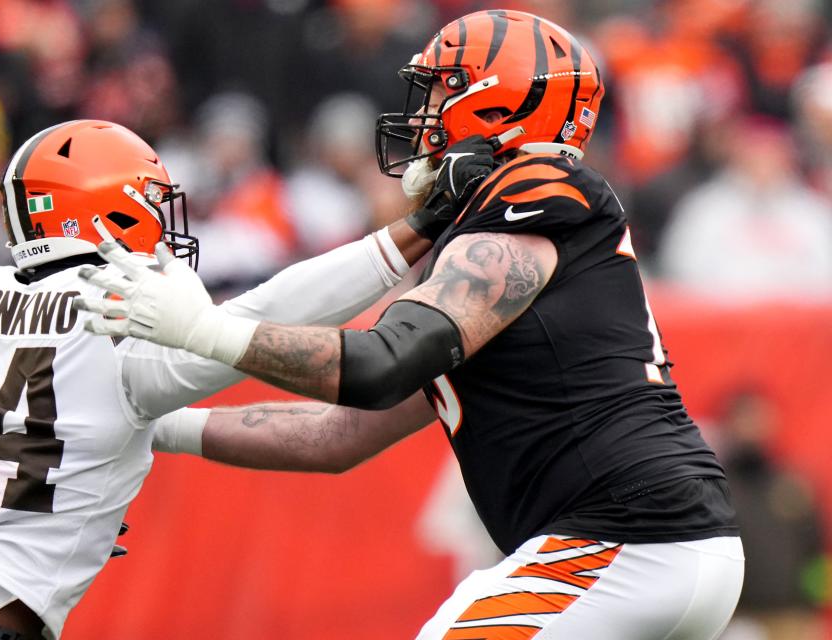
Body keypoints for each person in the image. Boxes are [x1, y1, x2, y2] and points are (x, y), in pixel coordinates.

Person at [76, 10, 745, 639]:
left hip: (626, 539)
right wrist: (160, 427)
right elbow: (339, 436)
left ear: (493, 104)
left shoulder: (532, 193)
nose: (419, 116)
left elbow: (379, 365)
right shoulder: (487, 246)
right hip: (651, 541)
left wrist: (201, 331)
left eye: (437, 93)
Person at [0, 118, 494, 639]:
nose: (166, 226)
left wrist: (56, 478)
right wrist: (418, 228)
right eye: (150, 204)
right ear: (103, 212)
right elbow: (267, 312)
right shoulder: (122, 310)